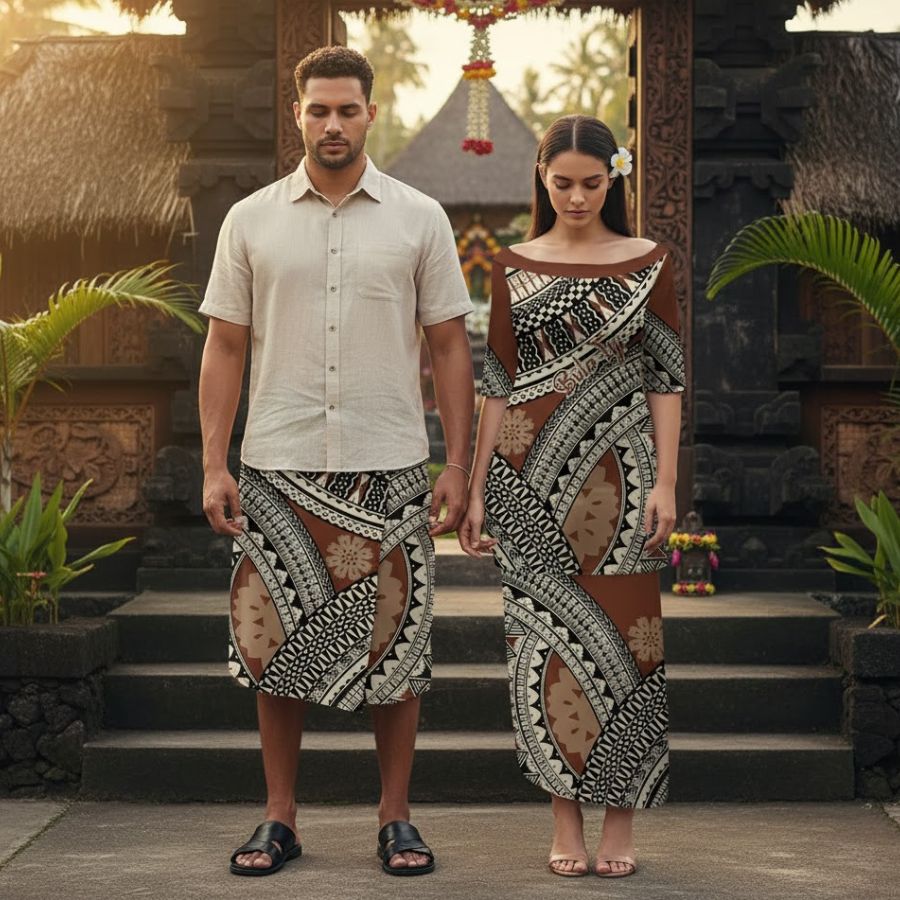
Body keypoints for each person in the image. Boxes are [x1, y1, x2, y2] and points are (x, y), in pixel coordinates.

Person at [198, 46, 474, 878]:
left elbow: (451, 347)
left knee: (395, 651)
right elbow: (224, 345)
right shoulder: (250, 219)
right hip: (277, 464)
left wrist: (455, 464)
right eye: (318, 110)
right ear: (298, 114)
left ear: (370, 114)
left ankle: (396, 818)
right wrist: (216, 463)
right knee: (276, 647)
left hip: (388, 462)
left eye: (346, 110)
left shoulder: (419, 216)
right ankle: (279, 817)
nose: (331, 124)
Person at [458, 115, 684, 879]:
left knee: (628, 648)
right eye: (564, 183)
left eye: (593, 183)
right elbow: (496, 382)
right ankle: (565, 819)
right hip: (529, 487)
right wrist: (482, 486)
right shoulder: (512, 265)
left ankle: (621, 821)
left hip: (624, 481)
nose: (579, 196)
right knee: (543, 649)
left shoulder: (649, 262)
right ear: (541, 178)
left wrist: (667, 483)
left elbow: (668, 378)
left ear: (614, 178)